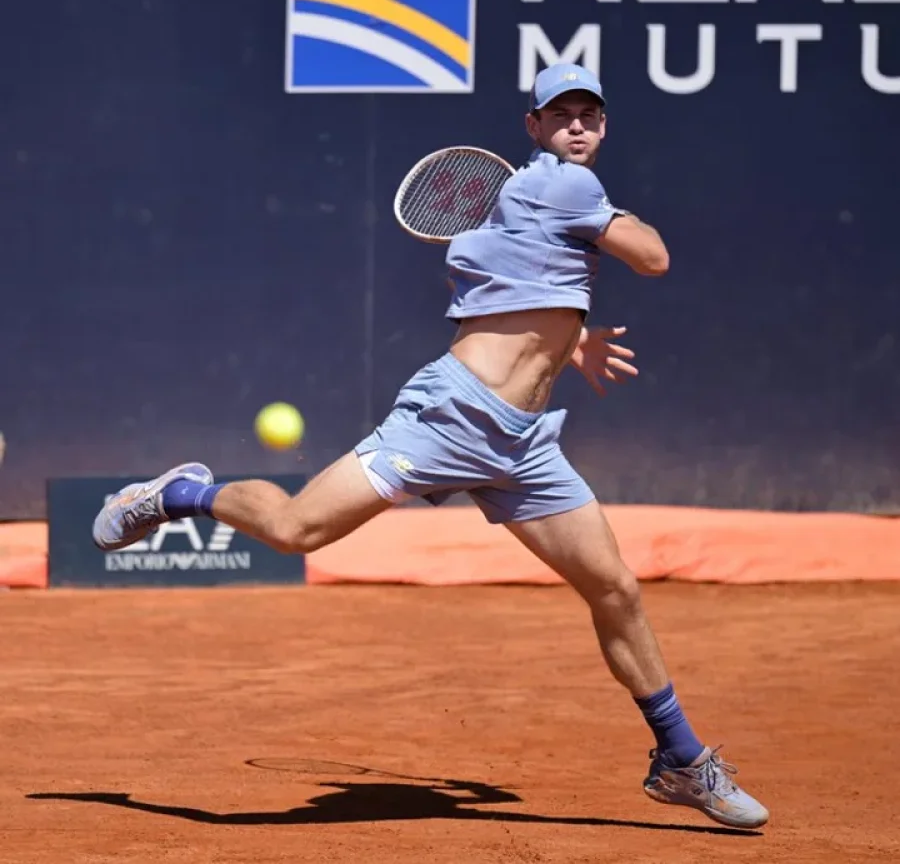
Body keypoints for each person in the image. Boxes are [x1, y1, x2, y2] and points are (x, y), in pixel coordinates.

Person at [92, 62, 768, 830]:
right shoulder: (567, 187)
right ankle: (178, 492)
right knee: (293, 531)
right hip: (450, 421)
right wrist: (619, 234)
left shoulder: (520, 207)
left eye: (591, 114)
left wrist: (571, 342)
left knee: (614, 588)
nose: (578, 125)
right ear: (533, 127)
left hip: (522, 444)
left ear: (604, 124)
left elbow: (510, 296)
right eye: (562, 114)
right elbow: (652, 256)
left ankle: (680, 759)